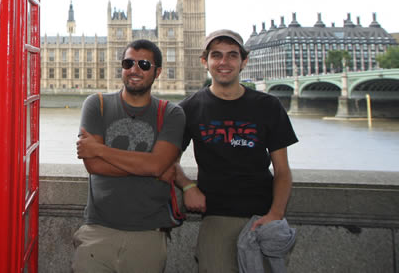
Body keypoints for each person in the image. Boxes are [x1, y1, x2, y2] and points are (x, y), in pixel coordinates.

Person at [175, 29, 299, 273]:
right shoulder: (188, 108)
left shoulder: (268, 106)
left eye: (232, 56)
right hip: (217, 216)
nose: (224, 62)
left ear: (244, 61)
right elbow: (168, 162)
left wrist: (276, 213)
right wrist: (187, 186)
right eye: (216, 55)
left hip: (262, 217)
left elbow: (282, 170)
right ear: (205, 61)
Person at [72, 39, 185, 273]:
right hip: (98, 231)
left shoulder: (172, 113)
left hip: (149, 234)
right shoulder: (97, 104)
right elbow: (93, 165)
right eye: (128, 62)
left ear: (158, 71)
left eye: (144, 64)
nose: (135, 69)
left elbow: (155, 165)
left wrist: (100, 150)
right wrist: (152, 167)